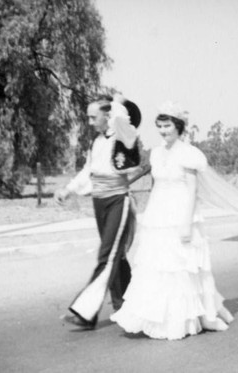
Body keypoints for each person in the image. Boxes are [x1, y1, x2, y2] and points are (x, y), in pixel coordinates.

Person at [110, 102, 236, 340]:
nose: (163, 131)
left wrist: (187, 224)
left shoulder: (189, 154)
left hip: (181, 214)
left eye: (167, 125)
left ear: (178, 126)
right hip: (159, 216)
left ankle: (196, 316)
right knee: (159, 266)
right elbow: (156, 185)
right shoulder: (157, 153)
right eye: (159, 126)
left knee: (183, 267)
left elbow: (191, 190)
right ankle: (158, 317)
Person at [55, 95, 143, 329]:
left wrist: (118, 104)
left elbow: (127, 130)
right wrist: (69, 190)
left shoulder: (124, 137)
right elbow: (88, 171)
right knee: (116, 255)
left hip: (118, 201)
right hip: (99, 201)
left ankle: (85, 312)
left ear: (109, 116)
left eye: (94, 117)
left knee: (107, 256)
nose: (91, 122)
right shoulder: (96, 142)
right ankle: (128, 304)